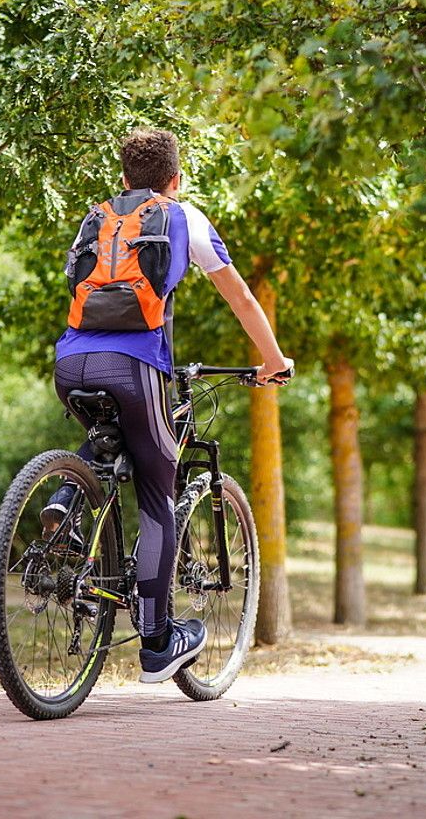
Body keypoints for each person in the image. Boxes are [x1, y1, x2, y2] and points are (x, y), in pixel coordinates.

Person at [45, 129, 293, 682]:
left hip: (70, 364)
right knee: (159, 492)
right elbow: (242, 297)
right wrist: (273, 359)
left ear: (124, 178)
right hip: (134, 369)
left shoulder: (97, 218)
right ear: (175, 180)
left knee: (108, 438)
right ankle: (157, 643)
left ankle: (67, 493)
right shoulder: (184, 218)